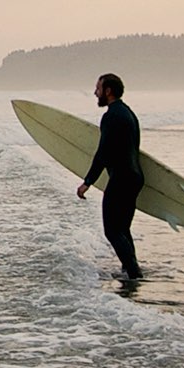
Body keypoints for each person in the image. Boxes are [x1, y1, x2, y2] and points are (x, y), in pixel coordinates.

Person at [75, 73, 145, 283]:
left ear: (108, 91)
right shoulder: (128, 113)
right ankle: (130, 269)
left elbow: (103, 152)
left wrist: (88, 182)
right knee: (122, 228)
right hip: (134, 176)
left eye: (98, 89)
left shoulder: (112, 116)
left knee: (112, 230)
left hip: (122, 178)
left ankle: (134, 273)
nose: (95, 93)